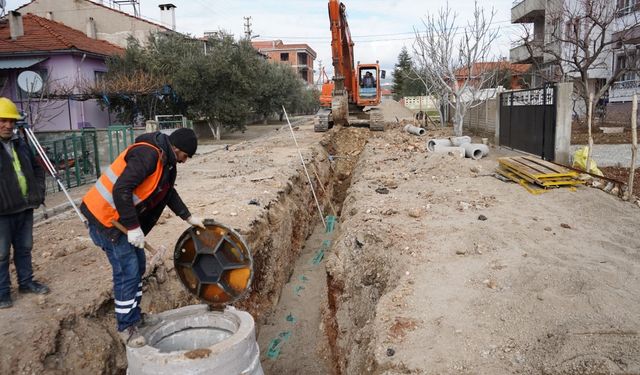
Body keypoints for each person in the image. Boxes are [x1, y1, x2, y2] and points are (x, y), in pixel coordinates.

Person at [80, 127, 205, 346]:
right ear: (177, 148)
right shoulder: (148, 154)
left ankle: (135, 317)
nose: (185, 161)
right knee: (127, 270)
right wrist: (133, 227)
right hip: (106, 219)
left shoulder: (167, 163)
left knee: (137, 266)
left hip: (121, 220)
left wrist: (188, 217)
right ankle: (126, 326)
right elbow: (121, 189)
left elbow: (168, 192)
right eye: (185, 156)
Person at [0, 97, 49, 309]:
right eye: (3, 120)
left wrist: (38, 191)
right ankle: (2, 293)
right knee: (1, 253)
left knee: (24, 248)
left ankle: (26, 282)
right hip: (2, 211)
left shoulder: (20, 144)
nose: (8, 125)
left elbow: (37, 168)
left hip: (25, 206)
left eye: (11, 121)